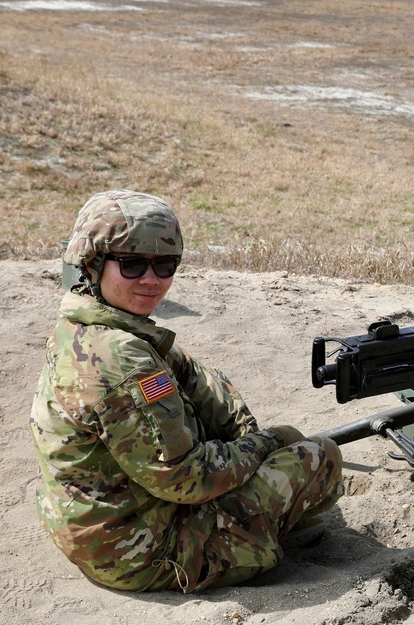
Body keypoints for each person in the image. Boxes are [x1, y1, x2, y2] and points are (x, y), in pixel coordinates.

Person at [29, 189, 344, 593]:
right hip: (143, 554)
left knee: (209, 388)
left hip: (101, 526)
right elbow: (185, 480)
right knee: (319, 458)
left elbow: (194, 374)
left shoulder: (93, 324)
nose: (151, 280)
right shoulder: (120, 358)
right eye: (131, 265)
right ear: (93, 265)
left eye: (165, 265)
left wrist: (243, 435)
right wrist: (266, 444)